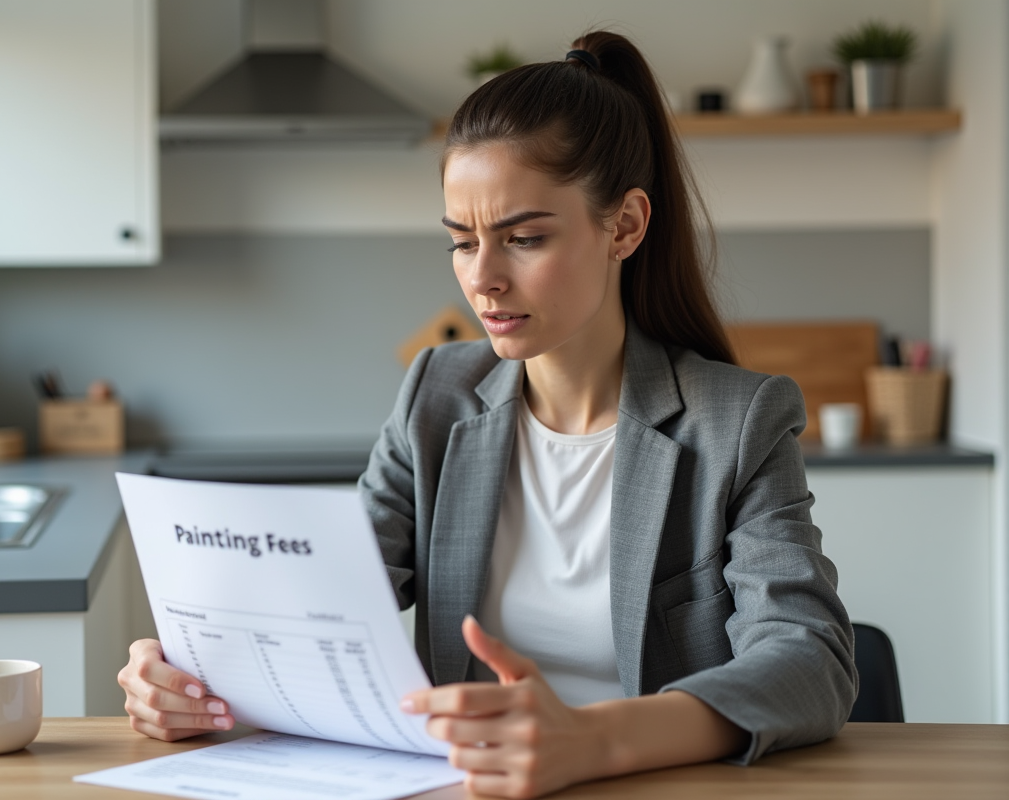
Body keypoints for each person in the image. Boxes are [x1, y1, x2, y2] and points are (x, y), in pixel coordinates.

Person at [118, 30, 857, 800]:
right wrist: (187, 666)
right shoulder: (437, 392)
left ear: (625, 227)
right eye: (462, 242)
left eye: (524, 239)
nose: (484, 279)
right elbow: (331, 596)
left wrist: (594, 740)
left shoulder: (736, 422)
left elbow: (811, 661)